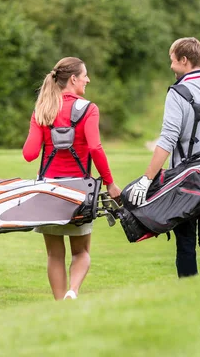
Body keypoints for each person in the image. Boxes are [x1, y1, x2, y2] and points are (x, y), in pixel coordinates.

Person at [128, 37, 200, 278]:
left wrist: (147, 179)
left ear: (184, 60)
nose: (171, 66)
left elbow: (167, 139)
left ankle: (190, 295)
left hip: (185, 183)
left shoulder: (177, 93)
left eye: (172, 61)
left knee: (186, 242)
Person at [23, 57, 121, 300]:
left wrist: (38, 123)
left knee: (54, 255)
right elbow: (96, 148)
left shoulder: (43, 109)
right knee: (81, 252)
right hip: (80, 192)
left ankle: (59, 305)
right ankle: (73, 291)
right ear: (74, 79)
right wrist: (109, 182)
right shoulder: (89, 109)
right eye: (85, 75)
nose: (88, 79)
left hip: (48, 191)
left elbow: (29, 154)